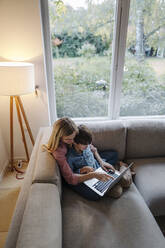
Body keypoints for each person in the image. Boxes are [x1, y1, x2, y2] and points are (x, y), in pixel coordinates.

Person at [65, 124, 132, 200]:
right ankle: (121, 171)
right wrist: (81, 170)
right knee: (116, 191)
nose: (87, 146)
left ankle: (116, 178)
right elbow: (71, 175)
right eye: (84, 144)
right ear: (74, 142)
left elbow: (94, 150)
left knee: (114, 154)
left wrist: (101, 162)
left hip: (98, 166)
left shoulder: (86, 143)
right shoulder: (70, 157)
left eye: (88, 143)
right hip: (88, 177)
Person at [42, 117, 112, 186]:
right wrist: (92, 174)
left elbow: (92, 148)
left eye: (74, 137)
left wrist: (101, 162)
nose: (73, 141)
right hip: (81, 175)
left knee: (113, 154)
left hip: (93, 164)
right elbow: (70, 178)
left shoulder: (77, 136)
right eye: (69, 139)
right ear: (59, 137)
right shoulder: (60, 152)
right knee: (94, 195)